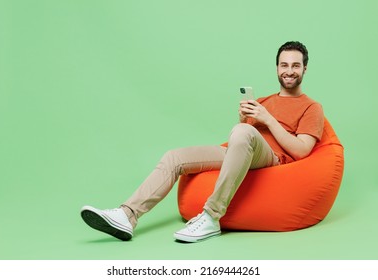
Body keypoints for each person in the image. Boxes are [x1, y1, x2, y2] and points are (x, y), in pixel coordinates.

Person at [80, 41, 324, 243]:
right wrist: (246, 119)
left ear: (305, 69)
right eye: (284, 65)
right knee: (175, 157)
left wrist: (266, 120)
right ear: (276, 68)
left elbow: (302, 150)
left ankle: (211, 217)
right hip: (245, 150)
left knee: (241, 132)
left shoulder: (312, 108)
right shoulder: (264, 100)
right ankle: (128, 215)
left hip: (274, 160)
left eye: (295, 65)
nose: (289, 70)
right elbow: (244, 140)